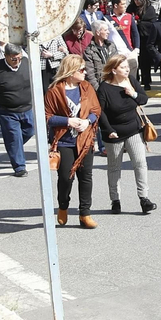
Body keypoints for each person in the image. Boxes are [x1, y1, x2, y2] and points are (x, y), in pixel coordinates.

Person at [46, 55, 101, 228]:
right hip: (64, 141)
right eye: (81, 69)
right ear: (70, 72)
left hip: (85, 139)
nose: (85, 72)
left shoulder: (86, 87)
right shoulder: (55, 90)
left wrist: (87, 121)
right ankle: (63, 206)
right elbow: (47, 117)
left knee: (86, 177)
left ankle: (85, 213)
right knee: (65, 177)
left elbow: (96, 109)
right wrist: (67, 121)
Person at [97, 54, 155, 216]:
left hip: (134, 130)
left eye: (127, 66)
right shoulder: (104, 88)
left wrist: (133, 94)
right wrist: (108, 130)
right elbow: (100, 112)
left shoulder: (131, 80)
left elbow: (143, 99)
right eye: (123, 67)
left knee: (140, 163)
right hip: (114, 133)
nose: (127, 69)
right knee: (114, 167)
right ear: (114, 70)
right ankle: (115, 200)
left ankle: (144, 199)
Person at [0, 42, 35, 178]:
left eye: (19, 58)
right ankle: (19, 166)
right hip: (7, 110)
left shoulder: (26, 63)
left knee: (29, 131)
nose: (17, 61)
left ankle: (14, 146)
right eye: (13, 59)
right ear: (6, 56)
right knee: (13, 136)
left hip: (27, 107)